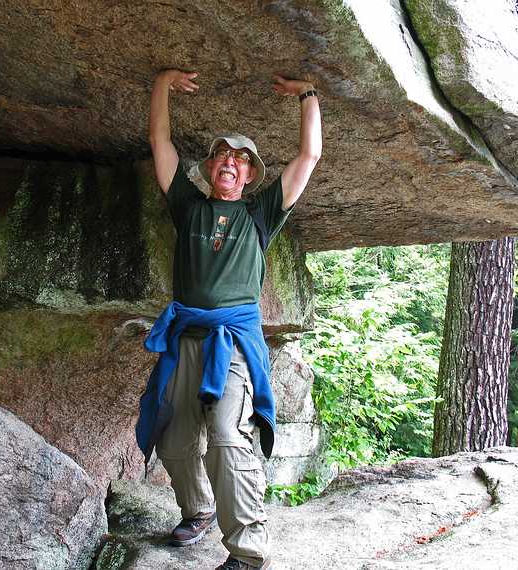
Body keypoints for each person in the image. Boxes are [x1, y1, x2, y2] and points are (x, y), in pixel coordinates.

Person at [136, 69, 322, 570]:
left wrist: (306, 94)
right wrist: (162, 84)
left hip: (233, 342)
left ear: (250, 176)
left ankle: (248, 550)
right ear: (210, 167)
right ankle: (197, 512)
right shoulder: (188, 206)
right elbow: (160, 139)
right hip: (185, 338)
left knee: (223, 434)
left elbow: (309, 157)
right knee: (174, 439)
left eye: (241, 160)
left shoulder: (260, 214)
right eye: (224, 155)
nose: (231, 163)